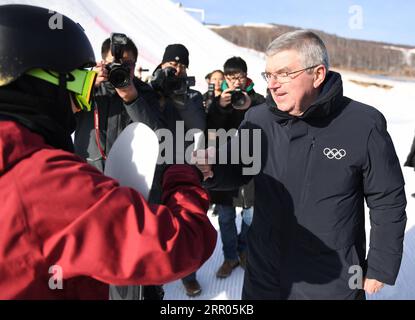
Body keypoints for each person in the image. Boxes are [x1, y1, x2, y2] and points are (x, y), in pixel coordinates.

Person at [0, 4, 216, 300]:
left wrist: (131, 96)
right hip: (92, 195)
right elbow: (179, 243)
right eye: (80, 79)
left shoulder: (142, 94)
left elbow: (159, 133)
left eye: (127, 66)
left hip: (129, 196)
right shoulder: (43, 171)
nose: (79, 95)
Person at [198, 30, 407, 299]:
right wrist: (214, 168)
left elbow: (387, 199)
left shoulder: (363, 124)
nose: (272, 84)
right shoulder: (257, 118)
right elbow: (237, 169)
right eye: (269, 75)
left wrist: (379, 265)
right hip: (265, 273)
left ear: (318, 74)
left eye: (284, 73)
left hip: (331, 278)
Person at [149, 44, 207, 297]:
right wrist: (156, 89)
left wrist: (179, 95)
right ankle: (154, 274)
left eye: (183, 65)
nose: (178, 69)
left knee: (181, 219)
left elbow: (198, 126)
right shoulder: (148, 90)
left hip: (180, 164)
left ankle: (187, 274)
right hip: (151, 163)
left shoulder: (191, 95)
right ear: (162, 65)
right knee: (152, 219)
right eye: (172, 64)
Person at [207, 57, 265, 279]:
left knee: (250, 215)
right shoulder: (219, 101)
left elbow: (266, 125)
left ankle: (244, 251)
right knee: (225, 216)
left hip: (251, 166)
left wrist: (252, 105)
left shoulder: (258, 99)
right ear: (225, 78)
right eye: (231, 77)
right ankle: (229, 257)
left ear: (246, 75)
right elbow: (211, 129)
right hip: (224, 167)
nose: (236, 81)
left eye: (239, 76)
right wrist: (221, 106)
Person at [74, 35, 162, 172]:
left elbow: (157, 135)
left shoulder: (144, 92)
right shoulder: (88, 86)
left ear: (135, 65)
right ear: (102, 63)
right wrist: (88, 86)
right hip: (87, 173)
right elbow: (63, 119)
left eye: (127, 65)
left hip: (129, 175)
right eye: (113, 64)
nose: (120, 69)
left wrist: (133, 99)